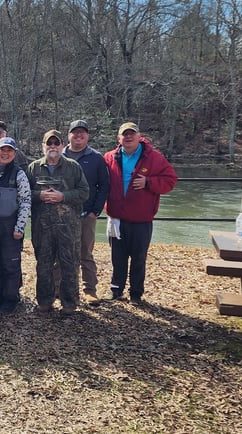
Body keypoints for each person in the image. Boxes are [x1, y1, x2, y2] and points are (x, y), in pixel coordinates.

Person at [104, 122, 178, 304]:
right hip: (116, 218)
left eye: (132, 134)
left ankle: (136, 294)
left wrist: (149, 182)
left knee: (138, 259)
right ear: (118, 138)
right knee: (117, 258)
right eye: (125, 134)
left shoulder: (154, 157)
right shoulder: (109, 157)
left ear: (139, 136)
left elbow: (170, 180)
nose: (128, 137)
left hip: (141, 220)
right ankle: (116, 290)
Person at [26, 130, 89, 313]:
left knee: (69, 264)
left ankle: (69, 303)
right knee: (43, 265)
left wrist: (63, 196)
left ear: (62, 146)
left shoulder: (73, 167)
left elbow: (84, 192)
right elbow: (23, 193)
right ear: (43, 146)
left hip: (69, 227)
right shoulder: (33, 168)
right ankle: (44, 302)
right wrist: (39, 195)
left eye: (56, 143)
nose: (52, 146)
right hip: (42, 227)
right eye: (49, 143)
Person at [0, 138, 31, 314]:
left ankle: (10, 299)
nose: (5, 153)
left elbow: (25, 201)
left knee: (10, 264)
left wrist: (20, 227)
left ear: (14, 154)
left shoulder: (19, 174)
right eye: (2, 150)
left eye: (9, 150)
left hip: (10, 225)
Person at [63, 120, 110, 305]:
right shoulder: (60, 154)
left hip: (86, 214)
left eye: (82, 132)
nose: (78, 135)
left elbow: (104, 186)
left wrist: (95, 212)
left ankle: (90, 290)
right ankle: (58, 288)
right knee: (61, 252)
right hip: (61, 214)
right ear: (69, 135)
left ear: (87, 136)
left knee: (85, 253)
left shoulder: (96, 158)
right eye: (75, 132)